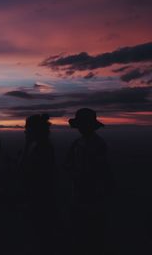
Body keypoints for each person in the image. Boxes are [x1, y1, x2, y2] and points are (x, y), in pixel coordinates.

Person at [64, 108, 112, 255]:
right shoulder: (80, 143)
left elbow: (98, 171)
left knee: (89, 235)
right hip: (83, 195)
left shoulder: (93, 145)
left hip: (90, 197)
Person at [19, 114, 56, 255]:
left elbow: (26, 173)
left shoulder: (42, 150)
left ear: (34, 131)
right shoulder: (42, 148)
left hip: (38, 203)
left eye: (27, 129)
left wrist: (27, 144)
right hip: (39, 202)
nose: (24, 131)